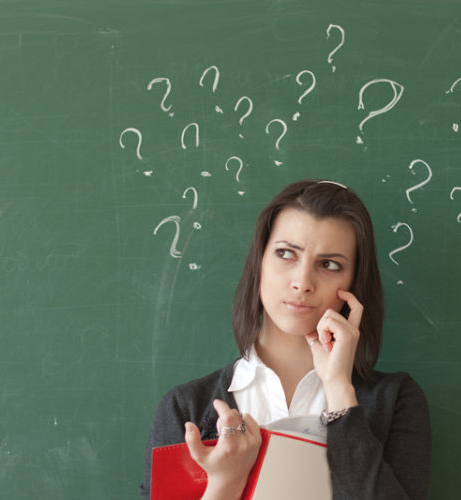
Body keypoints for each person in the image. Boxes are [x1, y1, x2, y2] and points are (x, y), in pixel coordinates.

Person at [140, 180, 431, 499]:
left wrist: (339, 391)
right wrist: (224, 486)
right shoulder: (186, 408)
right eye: (285, 253)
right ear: (259, 262)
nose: (302, 282)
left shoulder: (396, 400)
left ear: (353, 283)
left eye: (329, 264)